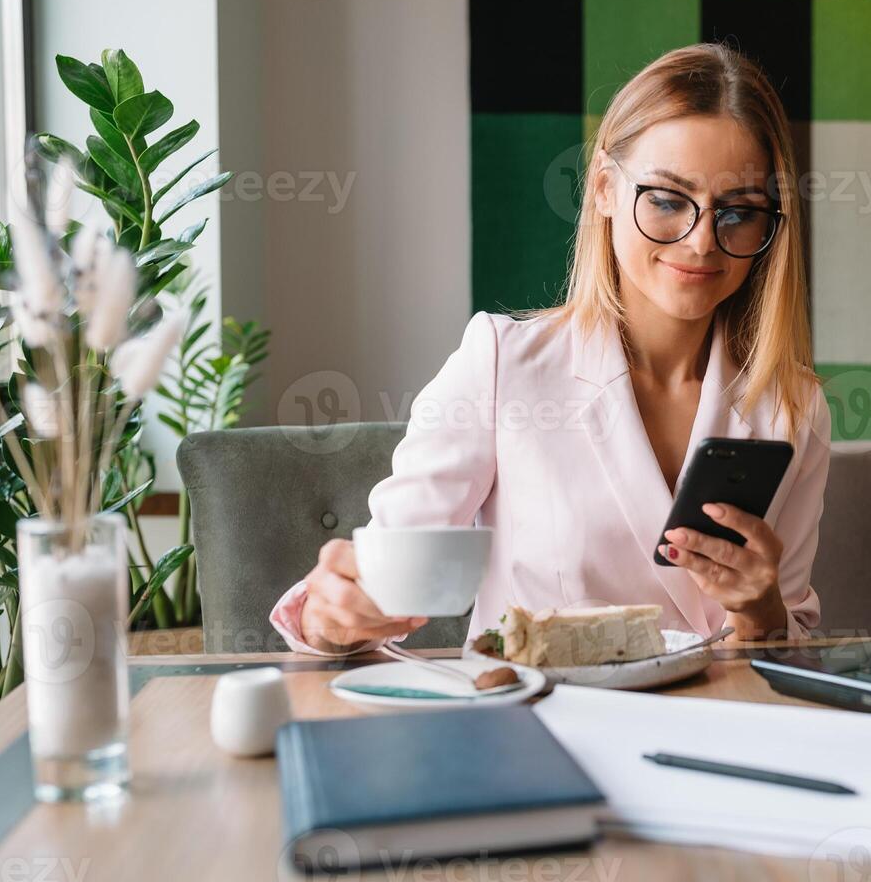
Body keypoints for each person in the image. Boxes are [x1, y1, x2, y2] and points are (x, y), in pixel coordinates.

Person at [271, 43, 832, 656]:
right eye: (668, 200)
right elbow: (375, 583)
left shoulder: (793, 404)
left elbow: (789, 643)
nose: (701, 242)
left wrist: (762, 610)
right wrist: (332, 616)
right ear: (602, 192)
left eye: (739, 211)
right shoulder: (500, 365)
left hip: (717, 731)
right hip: (536, 730)